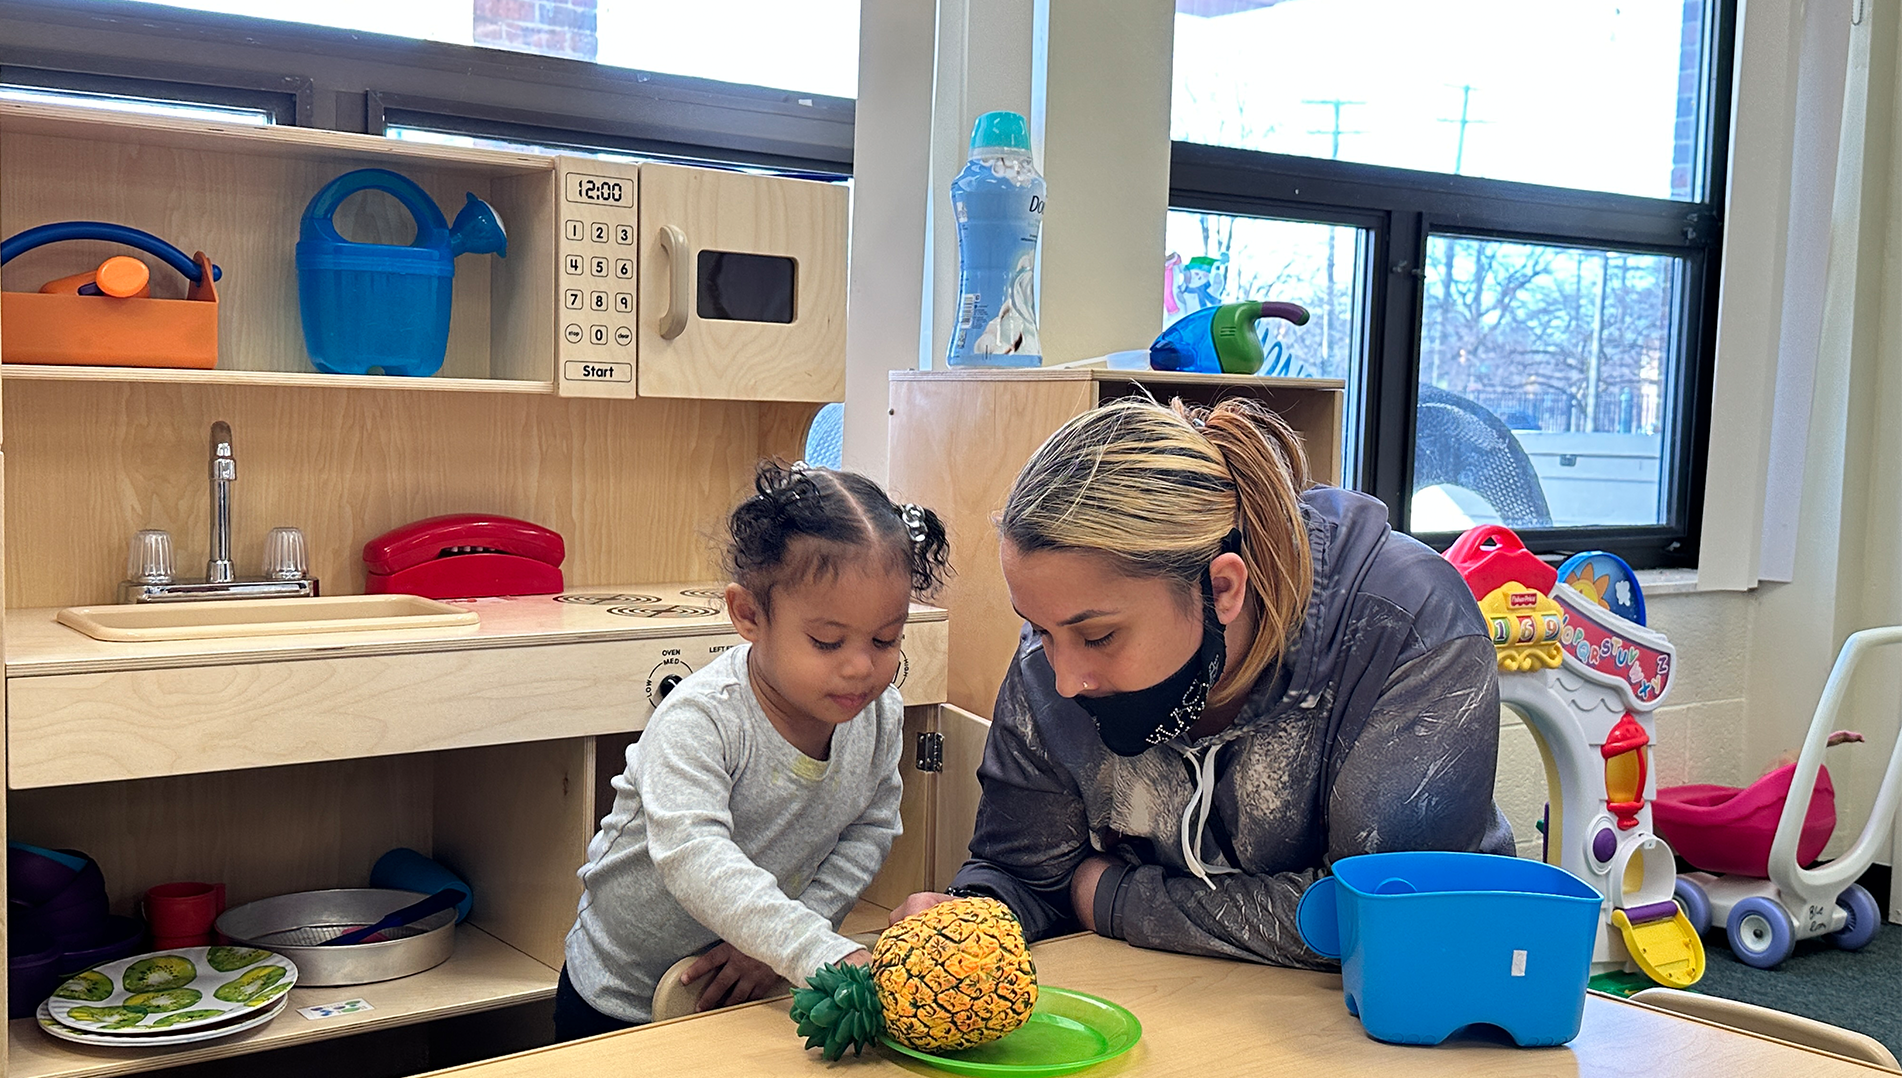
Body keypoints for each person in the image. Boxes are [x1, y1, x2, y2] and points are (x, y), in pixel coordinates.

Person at [893, 397, 1511, 968]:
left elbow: (1378, 920)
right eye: (1040, 630)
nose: (1065, 679)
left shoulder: (1407, 625)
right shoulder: (1060, 640)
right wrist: (971, 919)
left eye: (1099, 637)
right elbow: (1028, 876)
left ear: (1221, 589)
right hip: (1174, 1005)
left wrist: (1110, 895)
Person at [557, 462, 950, 1040]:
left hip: (756, 979)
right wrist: (819, 952)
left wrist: (787, 943)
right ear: (748, 615)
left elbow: (869, 828)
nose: (861, 666)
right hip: (618, 993)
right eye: (827, 641)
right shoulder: (703, 717)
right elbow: (695, 855)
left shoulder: (878, 712)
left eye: (886, 638)